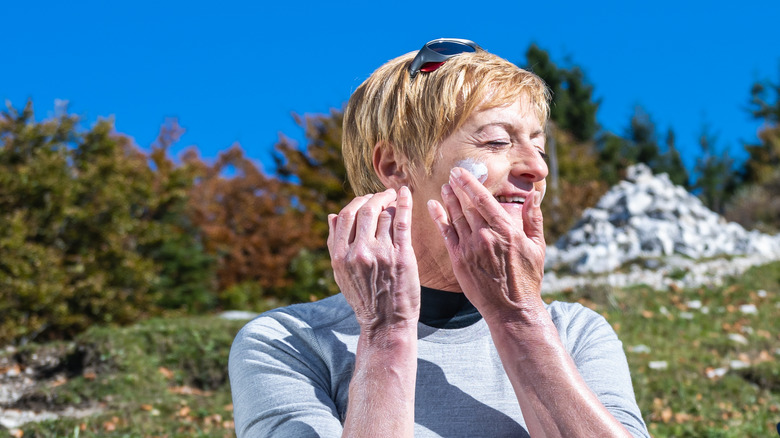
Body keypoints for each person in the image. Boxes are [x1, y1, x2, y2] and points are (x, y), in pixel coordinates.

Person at [229, 38, 650, 437]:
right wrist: (384, 332)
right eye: (498, 141)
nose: (537, 169)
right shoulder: (289, 343)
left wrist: (518, 317)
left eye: (538, 147)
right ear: (395, 166)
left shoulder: (574, 332)